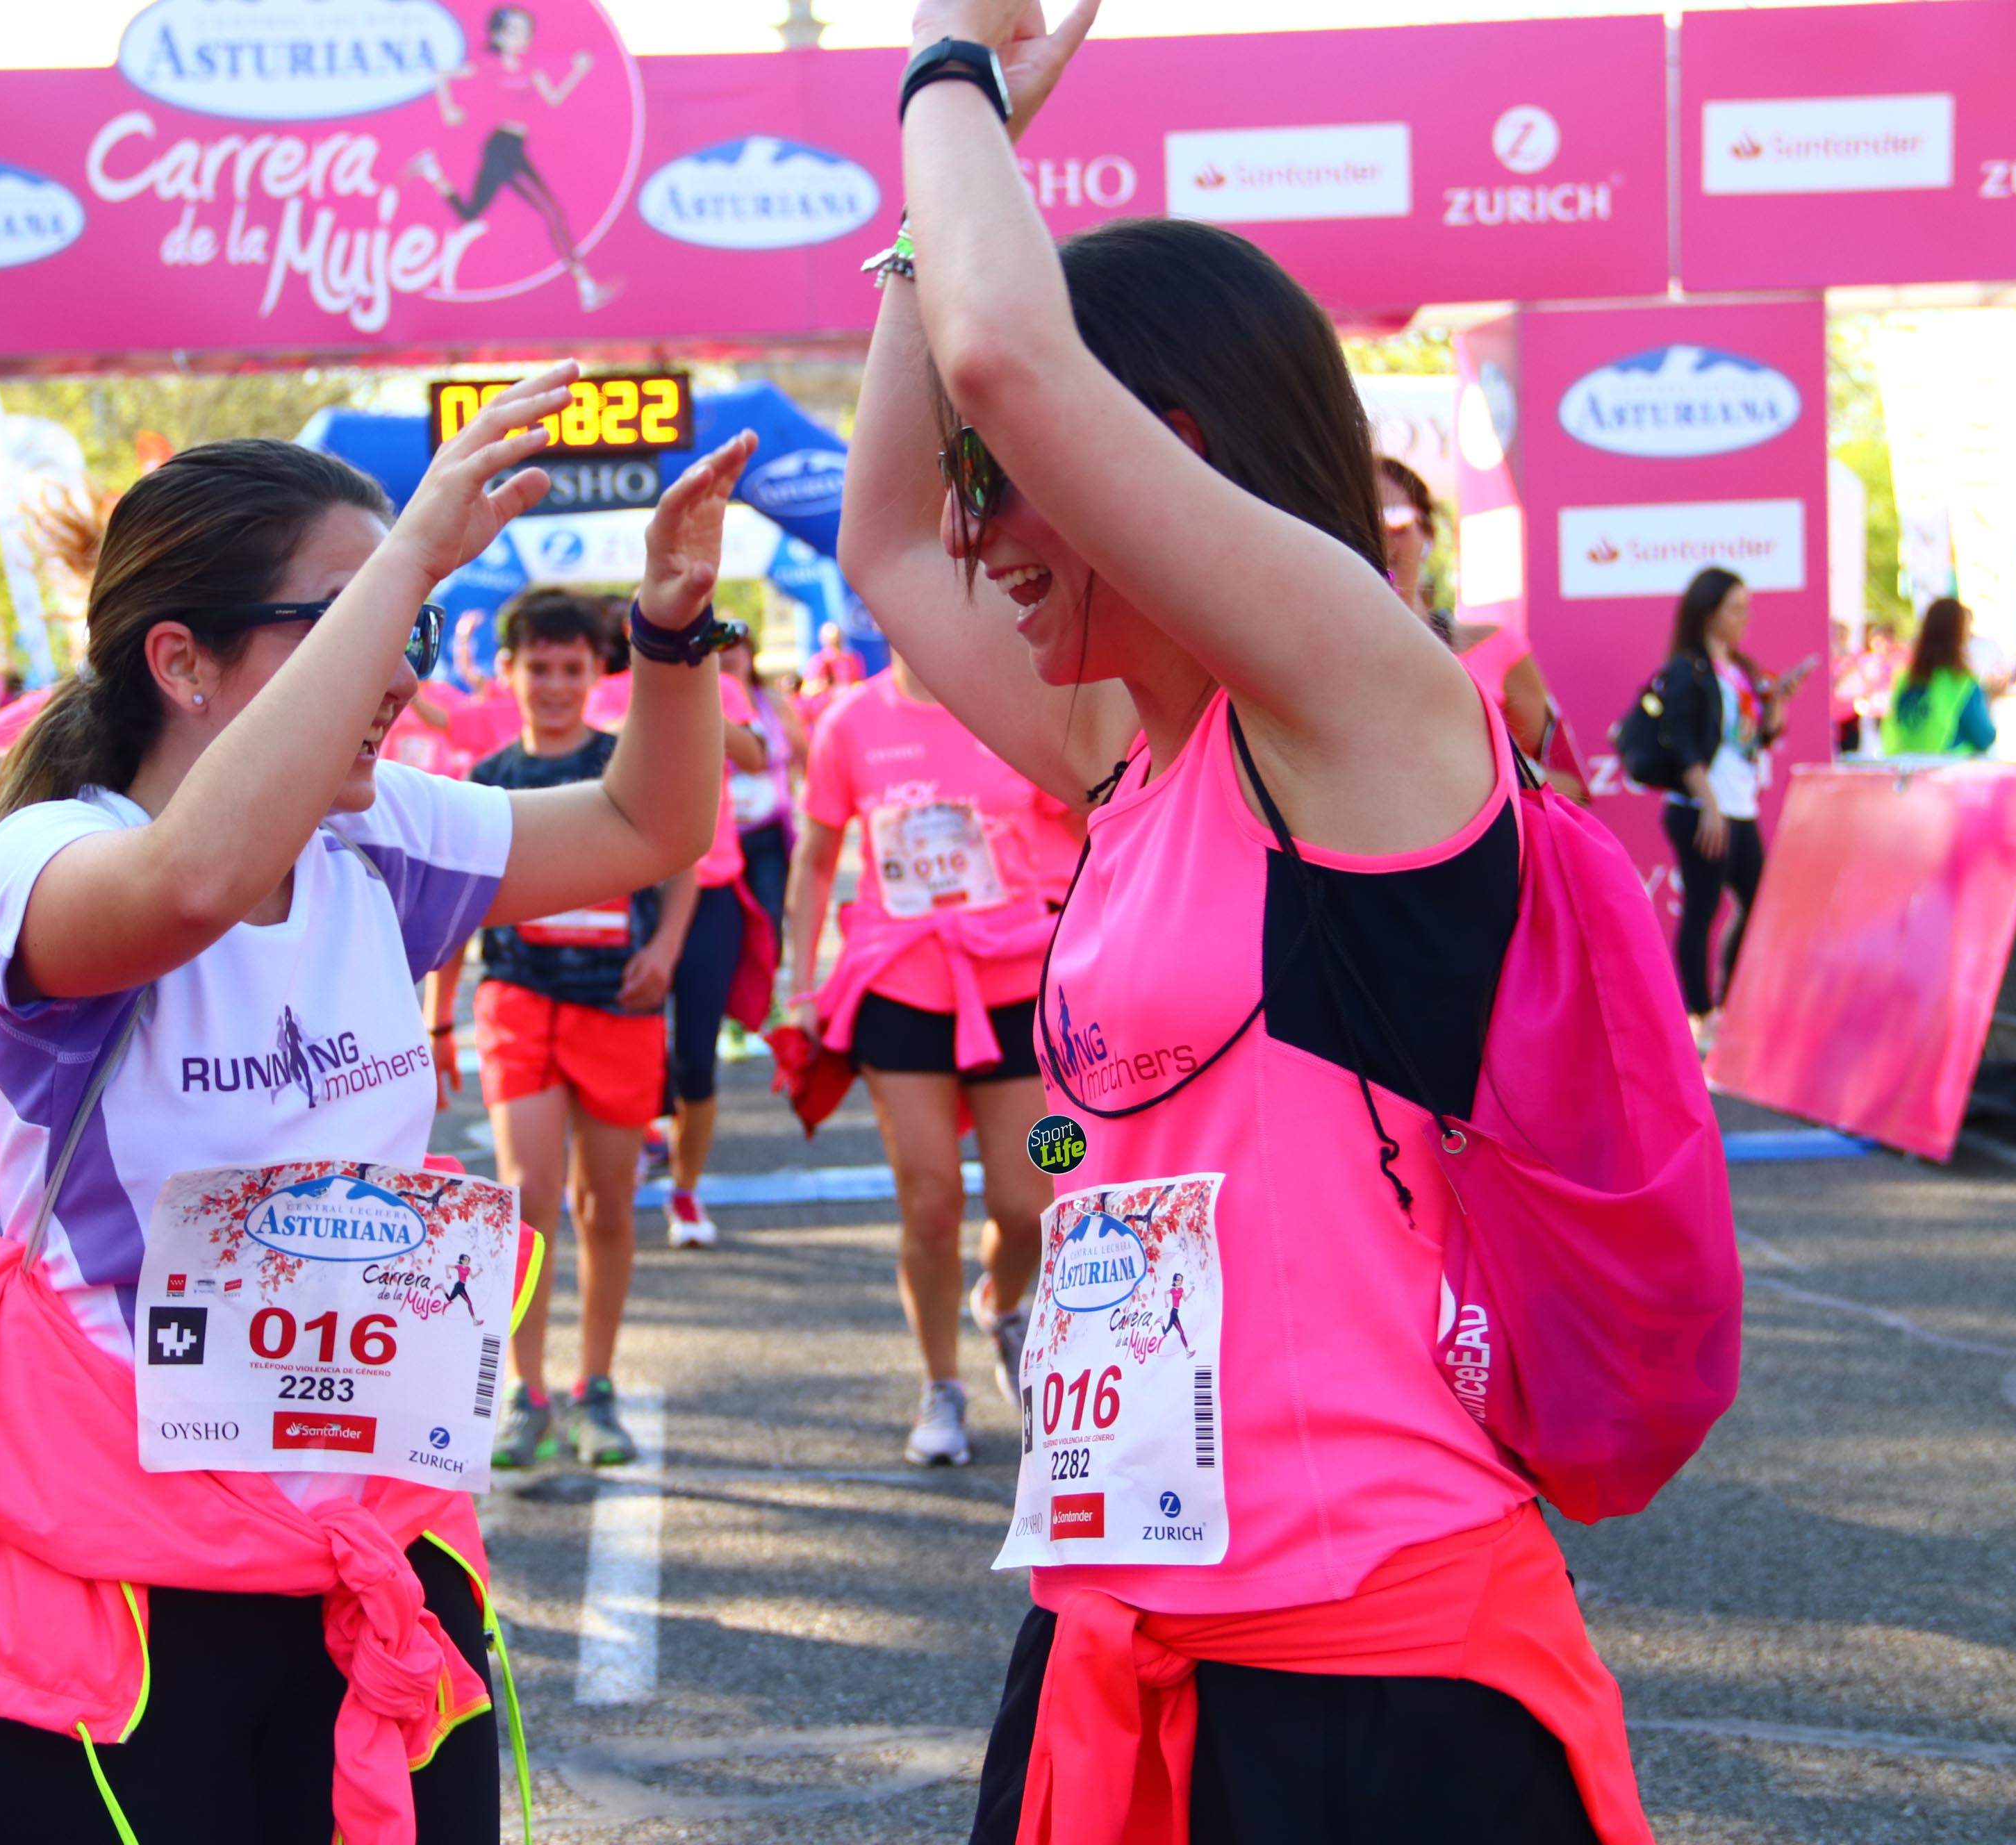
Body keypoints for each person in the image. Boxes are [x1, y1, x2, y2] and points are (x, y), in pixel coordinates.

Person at [841, 8, 1650, 1839]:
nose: (976, 545)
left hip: (1373, 1659)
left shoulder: (1366, 709)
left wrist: (946, 67)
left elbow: (1007, 357)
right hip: (1120, 1600)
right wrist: (925, 212)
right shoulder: (1124, 750)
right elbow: (883, 543)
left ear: (1162, 444)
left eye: (1005, 485)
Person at [0, 379, 750, 1842]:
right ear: (184, 660)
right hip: (116, 1575)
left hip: (367, 1537)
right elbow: (194, 885)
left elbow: (645, 827)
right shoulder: (49, 857)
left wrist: (668, 634)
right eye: (355, 617)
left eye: (412, 625)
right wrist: (416, 549)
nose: (404, 672)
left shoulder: (380, 832)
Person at [430, 588, 697, 1470]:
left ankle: (596, 1384)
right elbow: (455, 905)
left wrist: (664, 946)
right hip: (518, 1003)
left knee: (605, 1205)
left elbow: (685, 852)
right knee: (528, 1197)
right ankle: (526, 1389)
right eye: (536, 668)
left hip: (618, 1005)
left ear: (597, 672)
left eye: (570, 668)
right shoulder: (491, 780)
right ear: (506, 672)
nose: (552, 684)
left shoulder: (629, 763)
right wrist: (439, 1022)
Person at [784, 653, 1068, 1466]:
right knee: (931, 1198)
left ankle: (1002, 1305)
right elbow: (813, 856)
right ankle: (941, 1384)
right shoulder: (849, 722)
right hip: (900, 988)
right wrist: (801, 989)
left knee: (1032, 1205)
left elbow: (1086, 823)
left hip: (1017, 979)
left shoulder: (1016, 698)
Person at [585, 624, 769, 1251]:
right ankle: (638, 1147)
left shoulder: (719, 686)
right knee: (628, 1043)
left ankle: (686, 1189)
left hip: (711, 886)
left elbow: (754, 756)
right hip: (626, 882)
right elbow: (592, 758)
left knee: (696, 1053)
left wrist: (697, 696)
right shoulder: (607, 692)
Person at [1651, 567, 1810, 1036]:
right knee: (1702, 908)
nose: (1746, 617)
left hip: (1740, 807)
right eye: (1735, 608)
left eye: (1746, 607)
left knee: (1757, 902)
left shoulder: (1741, 670)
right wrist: (1709, 803)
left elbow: (1754, 738)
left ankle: (1730, 1001)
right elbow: (1677, 740)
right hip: (1703, 810)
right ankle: (1699, 1015)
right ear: (1709, 611)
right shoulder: (1687, 669)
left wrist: (1777, 702)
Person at [1379, 456, 1583, 801]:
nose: (1381, 538)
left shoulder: (1496, 647)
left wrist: (1499, 774)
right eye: (1358, 521)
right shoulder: (1315, 662)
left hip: (1488, 850)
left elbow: (1572, 789)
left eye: (1394, 520)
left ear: (1427, 532)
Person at [411, 6, 619, 311]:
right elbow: (442, 75)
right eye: (513, 31)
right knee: (551, 211)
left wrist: (578, 71)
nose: (521, 37)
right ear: (498, 36)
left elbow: (554, 99)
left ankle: (432, 173)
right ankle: (586, 285)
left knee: (471, 214)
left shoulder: (531, 67)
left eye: (525, 31)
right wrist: (449, 110)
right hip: (501, 149)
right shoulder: (487, 65)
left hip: (515, 147)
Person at [723, 636, 807, 937]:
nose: (727, 655)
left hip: (768, 832)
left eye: (735, 647)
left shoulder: (771, 702)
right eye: (718, 650)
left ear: (749, 654)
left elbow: (804, 754)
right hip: (719, 838)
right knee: (729, 929)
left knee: (769, 920)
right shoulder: (700, 705)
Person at [1882, 596, 1997, 758]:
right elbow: (1984, 736)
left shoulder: (1904, 679)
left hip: (1903, 771)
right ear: (1959, 634)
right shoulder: (1961, 682)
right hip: (1946, 773)